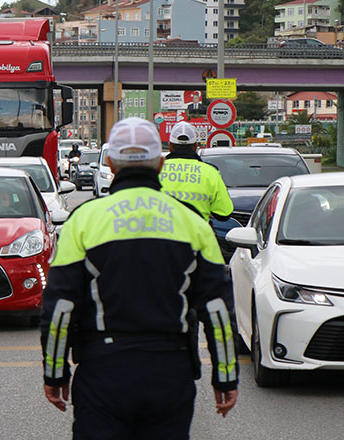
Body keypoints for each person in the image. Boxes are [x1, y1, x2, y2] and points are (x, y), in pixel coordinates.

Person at [40, 117, 239, 440]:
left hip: (102, 370)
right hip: (170, 370)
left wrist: (54, 372)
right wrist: (226, 377)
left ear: (109, 163)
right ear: (160, 164)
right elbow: (217, 311)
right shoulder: (192, 222)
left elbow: (60, 308)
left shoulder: (83, 220)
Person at [159, 121, 233, 222]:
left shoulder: (156, 170)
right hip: (198, 235)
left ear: (170, 146)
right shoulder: (211, 172)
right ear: (195, 146)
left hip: (162, 234)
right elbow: (224, 213)